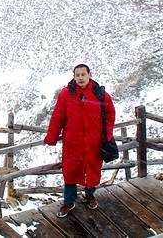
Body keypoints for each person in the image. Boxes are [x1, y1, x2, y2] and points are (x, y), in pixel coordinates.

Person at [44, 64, 116, 217]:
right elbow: (58, 117)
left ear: (89, 75)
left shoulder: (100, 94)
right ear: (74, 77)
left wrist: (106, 135)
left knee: (92, 169)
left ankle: (90, 195)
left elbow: (110, 116)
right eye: (78, 75)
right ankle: (69, 201)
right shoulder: (66, 94)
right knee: (70, 171)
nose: (81, 77)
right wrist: (52, 137)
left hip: (94, 142)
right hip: (73, 142)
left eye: (83, 74)